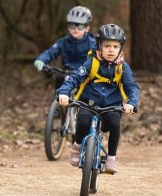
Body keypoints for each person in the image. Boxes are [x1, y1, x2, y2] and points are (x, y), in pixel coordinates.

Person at [57, 23, 140, 174]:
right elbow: (75, 78)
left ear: (120, 49)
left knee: (114, 124)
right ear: (99, 46)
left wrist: (131, 103)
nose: (111, 50)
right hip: (88, 102)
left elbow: (132, 87)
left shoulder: (123, 67)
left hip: (111, 105)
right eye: (107, 46)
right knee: (83, 121)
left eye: (115, 47)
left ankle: (111, 158)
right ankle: (77, 146)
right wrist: (63, 92)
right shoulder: (92, 62)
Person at [34, 6, 96, 85]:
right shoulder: (62, 42)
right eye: (72, 25)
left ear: (87, 28)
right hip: (66, 76)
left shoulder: (93, 43)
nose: (75, 29)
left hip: (85, 78)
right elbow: (50, 52)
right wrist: (41, 60)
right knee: (59, 91)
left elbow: (101, 56)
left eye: (80, 26)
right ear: (68, 27)